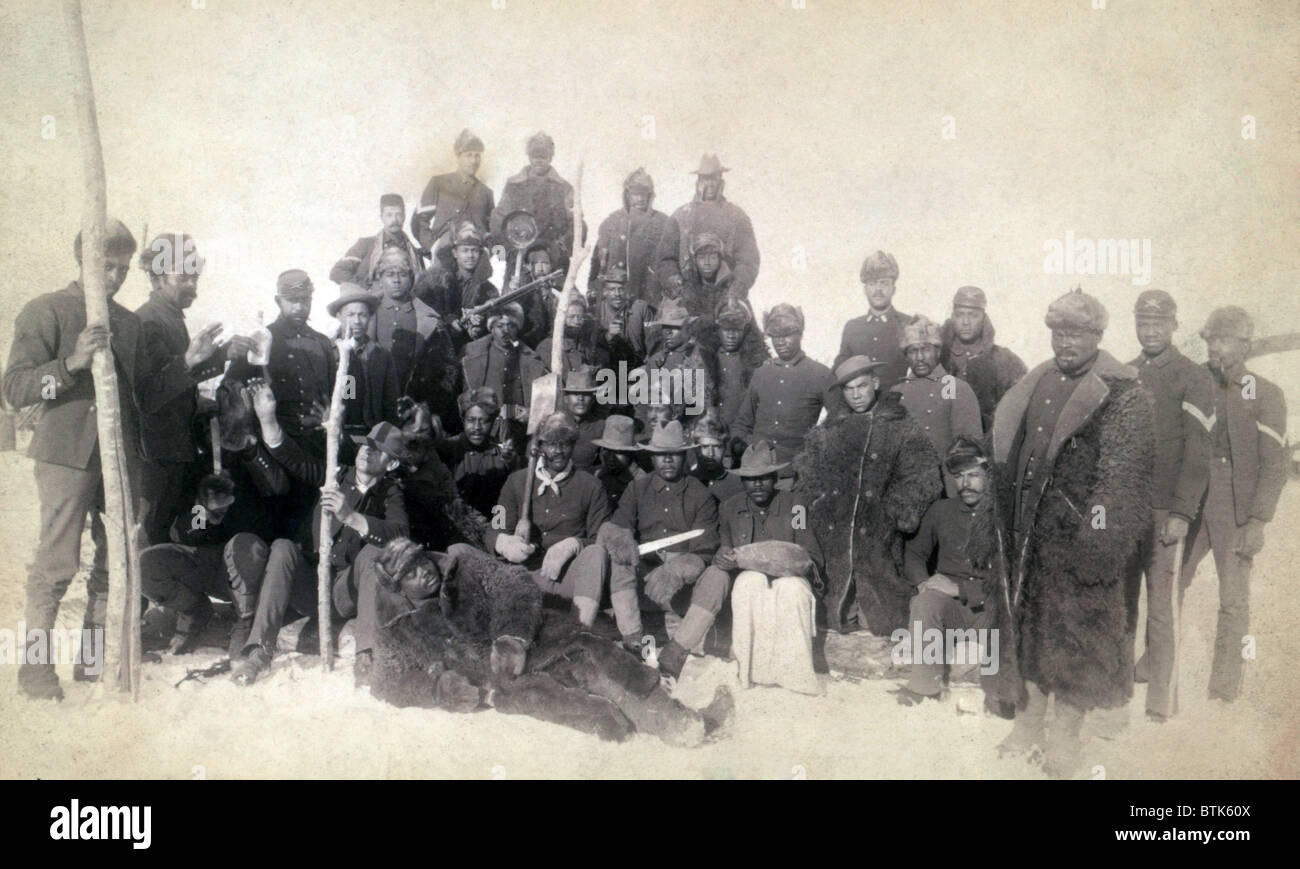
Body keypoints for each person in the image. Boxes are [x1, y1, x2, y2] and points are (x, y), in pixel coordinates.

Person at [991, 288, 1153, 778]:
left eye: (1078, 332)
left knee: (1077, 637)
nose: (1067, 342)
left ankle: (1064, 734)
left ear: (1098, 336)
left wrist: (1097, 539)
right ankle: (1028, 720)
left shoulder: (1122, 392)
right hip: (1030, 534)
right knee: (1030, 628)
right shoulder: (1035, 382)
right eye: (1059, 331)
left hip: (1080, 539)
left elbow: (1122, 478)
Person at [367, 538, 733, 745]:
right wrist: (438, 689)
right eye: (411, 574)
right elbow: (388, 682)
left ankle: (680, 722)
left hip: (540, 644)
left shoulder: (461, 566)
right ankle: (644, 725)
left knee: (599, 660)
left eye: (421, 562)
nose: (424, 573)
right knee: (583, 709)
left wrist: (512, 637)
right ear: (399, 588)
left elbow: (513, 586)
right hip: (504, 687)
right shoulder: (397, 628)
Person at [3, 220, 148, 698]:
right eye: (105, 267)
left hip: (116, 462)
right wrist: (69, 366)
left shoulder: (128, 323)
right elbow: (15, 389)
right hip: (66, 457)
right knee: (57, 564)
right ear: (82, 262)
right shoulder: (47, 310)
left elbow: (136, 400)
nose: (113, 278)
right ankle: (36, 673)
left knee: (114, 563)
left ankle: (93, 663)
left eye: (122, 269)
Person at [232, 397, 412, 685]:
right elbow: (294, 459)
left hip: (346, 593)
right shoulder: (336, 474)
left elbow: (400, 535)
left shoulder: (390, 494)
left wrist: (352, 517)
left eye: (377, 450)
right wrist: (267, 418)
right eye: (366, 444)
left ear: (391, 464)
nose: (367, 452)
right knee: (283, 547)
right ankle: (259, 650)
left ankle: (366, 654)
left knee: (372, 554)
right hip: (311, 585)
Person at [1179, 306, 1286, 704]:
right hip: (1191, 497)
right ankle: (1158, 669)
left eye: (1224, 341)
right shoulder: (1194, 383)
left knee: (1233, 598)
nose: (1215, 348)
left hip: (1235, 502)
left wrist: (1258, 519)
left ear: (1244, 345)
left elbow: (1273, 462)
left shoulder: (1264, 392)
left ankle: (1224, 688)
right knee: (1172, 581)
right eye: (1211, 340)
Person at [797, 354, 941, 635]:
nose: (856, 395)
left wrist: (897, 510)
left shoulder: (900, 426)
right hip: (835, 532)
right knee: (835, 603)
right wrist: (820, 503)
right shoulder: (830, 430)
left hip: (880, 531)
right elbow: (809, 469)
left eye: (861, 386)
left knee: (882, 608)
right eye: (849, 389)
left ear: (875, 383)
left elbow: (923, 473)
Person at [1123, 290, 1213, 721]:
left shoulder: (1192, 377)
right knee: (1122, 603)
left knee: (1161, 609)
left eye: (1159, 322)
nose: (1151, 329)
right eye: (1143, 322)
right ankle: (1118, 689)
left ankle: (1161, 704)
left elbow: (1199, 453)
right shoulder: (1126, 373)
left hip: (1165, 514)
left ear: (1175, 325)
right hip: (1128, 512)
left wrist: (1181, 512)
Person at [134, 232, 255, 544]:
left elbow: (178, 384)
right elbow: (149, 395)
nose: (193, 288)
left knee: (168, 533)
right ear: (159, 278)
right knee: (151, 535)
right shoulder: (147, 323)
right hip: (155, 457)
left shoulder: (170, 318)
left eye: (195, 279)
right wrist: (199, 362)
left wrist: (220, 358)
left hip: (174, 452)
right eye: (184, 278)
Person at [577, 421, 720, 650]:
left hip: (681, 583)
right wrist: (622, 540)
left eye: (674, 454)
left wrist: (680, 568)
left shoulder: (700, 494)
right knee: (621, 556)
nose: (668, 460)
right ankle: (633, 636)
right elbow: (619, 526)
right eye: (661, 455)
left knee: (713, 576)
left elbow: (706, 548)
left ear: (684, 456)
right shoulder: (637, 488)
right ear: (652, 458)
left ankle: (682, 645)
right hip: (644, 575)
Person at [707, 441, 825, 694]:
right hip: (751, 578)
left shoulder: (796, 506)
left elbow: (810, 554)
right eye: (750, 479)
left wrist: (788, 564)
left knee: (791, 589)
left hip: (790, 575)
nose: (757, 484)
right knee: (748, 583)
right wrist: (722, 558)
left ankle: (796, 677)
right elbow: (724, 549)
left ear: (774, 478)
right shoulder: (729, 508)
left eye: (764, 478)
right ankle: (748, 672)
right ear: (742, 481)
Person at [487, 412, 612, 627]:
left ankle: (578, 632)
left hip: (568, 583)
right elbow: (494, 528)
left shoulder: (591, 486)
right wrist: (504, 543)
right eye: (551, 444)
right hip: (524, 579)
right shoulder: (516, 481)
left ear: (573, 445)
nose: (558, 451)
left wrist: (574, 544)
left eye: (565, 444)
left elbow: (601, 540)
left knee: (596, 553)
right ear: (540, 446)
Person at [897, 438, 996, 706]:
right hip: (952, 609)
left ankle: (998, 692)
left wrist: (962, 590)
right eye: (959, 476)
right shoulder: (942, 510)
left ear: (989, 474)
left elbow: (1011, 578)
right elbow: (915, 553)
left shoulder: (1002, 514)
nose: (965, 483)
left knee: (1007, 617)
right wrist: (923, 582)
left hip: (989, 608)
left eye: (974, 475)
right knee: (924, 602)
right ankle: (923, 687)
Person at [224, 269, 336, 458]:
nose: (299, 307)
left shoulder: (323, 343)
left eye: (305, 300)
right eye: (293, 300)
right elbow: (230, 386)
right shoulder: (260, 339)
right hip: (273, 445)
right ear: (278, 301)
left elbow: (342, 385)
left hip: (315, 444)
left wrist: (335, 412)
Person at [731, 304, 836, 466]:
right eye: (774, 335)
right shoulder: (761, 373)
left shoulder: (821, 374)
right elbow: (743, 422)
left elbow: (838, 419)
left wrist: (815, 450)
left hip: (796, 470)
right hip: (757, 469)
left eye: (786, 335)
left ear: (800, 334)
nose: (780, 342)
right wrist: (742, 447)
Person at [654, 154, 759, 300]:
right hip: (686, 294)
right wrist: (675, 282)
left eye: (714, 178)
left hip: (727, 294)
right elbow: (665, 259)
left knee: (739, 320)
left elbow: (748, 259)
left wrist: (739, 285)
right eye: (705, 179)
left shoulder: (737, 217)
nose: (709, 184)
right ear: (698, 182)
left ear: (720, 181)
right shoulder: (680, 216)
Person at [890, 314, 983, 478]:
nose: (919, 358)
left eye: (925, 349)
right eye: (913, 350)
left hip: (947, 488)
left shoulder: (955, 387)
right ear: (906, 355)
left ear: (938, 351)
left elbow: (970, 451)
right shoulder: (896, 393)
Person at [328, 285, 401, 460]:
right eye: (350, 315)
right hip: (336, 437)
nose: (357, 321)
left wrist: (381, 444)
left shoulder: (381, 356)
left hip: (371, 438)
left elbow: (391, 405)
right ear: (339, 316)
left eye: (362, 315)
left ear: (369, 317)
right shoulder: (328, 352)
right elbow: (343, 394)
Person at [940, 285, 1027, 431]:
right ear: (952, 317)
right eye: (960, 314)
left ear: (984, 318)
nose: (966, 321)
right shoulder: (938, 357)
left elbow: (1016, 411)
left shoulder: (1004, 360)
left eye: (973, 315)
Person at [490, 132, 577, 273]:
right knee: (515, 294)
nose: (538, 160)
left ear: (551, 157)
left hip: (554, 260)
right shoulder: (514, 186)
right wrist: (510, 250)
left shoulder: (564, 188)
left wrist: (561, 248)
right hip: (520, 259)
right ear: (529, 157)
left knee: (561, 295)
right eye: (534, 156)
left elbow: (576, 224)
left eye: (543, 156)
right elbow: (498, 219)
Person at [460, 303, 548, 436]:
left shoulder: (531, 359)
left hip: (518, 431)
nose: (505, 331)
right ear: (491, 328)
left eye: (511, 325)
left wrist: (529, 413)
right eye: (500, 326)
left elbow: (541, 405)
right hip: (483, 430)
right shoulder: (472, 355)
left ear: (518, 328)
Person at [833, 250, 915, 391]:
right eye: (872, 283)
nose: (878, 289)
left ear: (893, 289)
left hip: (899, 406)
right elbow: (838, 371)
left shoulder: (908, 324)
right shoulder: (852, 328)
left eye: (884, 283)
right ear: (865, 290)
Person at [588, 167, 668, 307]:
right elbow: (598, 259)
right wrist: (593, 287)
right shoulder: (612, 221)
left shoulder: (662, 222)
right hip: (616, 293)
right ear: (627, 195)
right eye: (635, 194)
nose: (640, 198)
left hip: (647, 290)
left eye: (644, 194)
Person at [411, 129, 495, 263]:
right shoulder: (438, 183)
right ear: (458, 156)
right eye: (469, 155)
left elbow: (492, 230)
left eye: (477, 155)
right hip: (445, 255)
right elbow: (419, 221)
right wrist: (433, 247)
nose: (474, 161)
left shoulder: (486, 192)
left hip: (475, 259)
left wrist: (487, 250)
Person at [435, 387, 519, 518]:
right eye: (471, 420)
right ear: (463, 420)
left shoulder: (500, 453)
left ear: (492, 422)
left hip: (493, 526)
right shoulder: (448, 448)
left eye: (484, 421)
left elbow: (507, 504)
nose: (477, 428)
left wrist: (513, 464)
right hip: (458, 526)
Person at [366, 246, 441, 390]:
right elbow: (347, 371)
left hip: (414, 399)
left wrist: (427, 406)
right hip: (372, 401)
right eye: (390, 274)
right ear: (380, 279)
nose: (396, 280)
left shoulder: (429, 317)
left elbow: (442, 368)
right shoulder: (364, 315)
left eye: (402, 274)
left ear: (412, 279)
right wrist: (347, 403)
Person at [413, 221, 499, 344]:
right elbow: (423, 312)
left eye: (474, 250)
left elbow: (495, 325)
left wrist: (481, 325)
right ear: (455, 253)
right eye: (465, 250)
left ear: (480, 254)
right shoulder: (437, 284)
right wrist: (447, 320)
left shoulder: (489, 291)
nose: (470, 255)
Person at [329, 193, 423, 289]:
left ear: (404, 217)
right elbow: (337, 272)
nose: (394, 220)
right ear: (381, 217)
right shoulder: (366, 245)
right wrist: (365, 288)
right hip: (371, 300)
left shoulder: (413, 253)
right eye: (389, 215)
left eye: (399, 215)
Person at [711, 296, 768, 430]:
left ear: (745, 331)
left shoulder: (755, 364)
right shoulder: (706, 359)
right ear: (718, 330)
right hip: (710, 439)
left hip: (741, 437)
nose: (731, 335)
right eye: (726, 329)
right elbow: (692, 405)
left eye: (736, 330)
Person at [535, 295, 610, 377]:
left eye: (580, 317)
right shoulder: (547, 346)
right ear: (561, 318)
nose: (577, 321)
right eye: (571, 317)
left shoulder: (585, 343)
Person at [595, 266, 650, 370]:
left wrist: (650, 360)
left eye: (621, 289)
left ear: (627, 290)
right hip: (608, 368)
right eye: (612, 289)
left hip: (638, 366)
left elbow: (653, 338)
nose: (617, 294)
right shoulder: (598, 311)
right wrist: (608, 336)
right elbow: (591, 345)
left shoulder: (640, 308)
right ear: (605, 291)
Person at [688, 410, 745, 504]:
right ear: (695, 447)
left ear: (725, 447)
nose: (711, 453)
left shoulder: (738, 484)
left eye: (717, 447)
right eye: (705, 446)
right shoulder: (687, 482)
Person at [558, 366, 607, 474]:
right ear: (566, 398)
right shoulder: (554, 424)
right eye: (575, 394)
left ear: (593, 399)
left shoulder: (600, 426)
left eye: (586, 394)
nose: (581, 398)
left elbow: (605, 463)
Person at [590, 414, 645, 507]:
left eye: (619, 452)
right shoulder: (599, 474)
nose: (611, 458)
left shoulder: (641, 482)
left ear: (630, 453)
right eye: (607, 450)